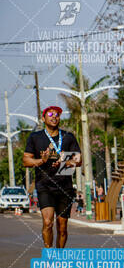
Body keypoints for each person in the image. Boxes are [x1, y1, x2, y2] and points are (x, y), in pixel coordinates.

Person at [23, 106, 81, 248]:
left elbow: (78, 160)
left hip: (65, 186)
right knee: (48, 222)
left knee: (62, 226)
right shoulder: (35, 137)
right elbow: (26, 161)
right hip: (45, 186)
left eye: (57, 115)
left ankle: (59, 256)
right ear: (43, 118)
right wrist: (41, 161)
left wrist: (66, 161)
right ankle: (49, 256)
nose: (54, 117)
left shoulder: (68, 137)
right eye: (50, 114)